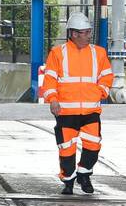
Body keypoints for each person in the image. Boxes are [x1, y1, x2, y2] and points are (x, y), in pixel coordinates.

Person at [38, 12, 113, 194]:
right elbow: (50, 80)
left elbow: (106, 76)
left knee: (93, 146)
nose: (88, 36)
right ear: (73, 34)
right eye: (85, 33)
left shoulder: (99, 53)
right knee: (66, 149)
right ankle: (68, 181)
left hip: (90, 111)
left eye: (89, 32)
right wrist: (53, 100)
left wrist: (100, 92)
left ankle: (84, 175)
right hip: (65, 112)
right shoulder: (57, 53)